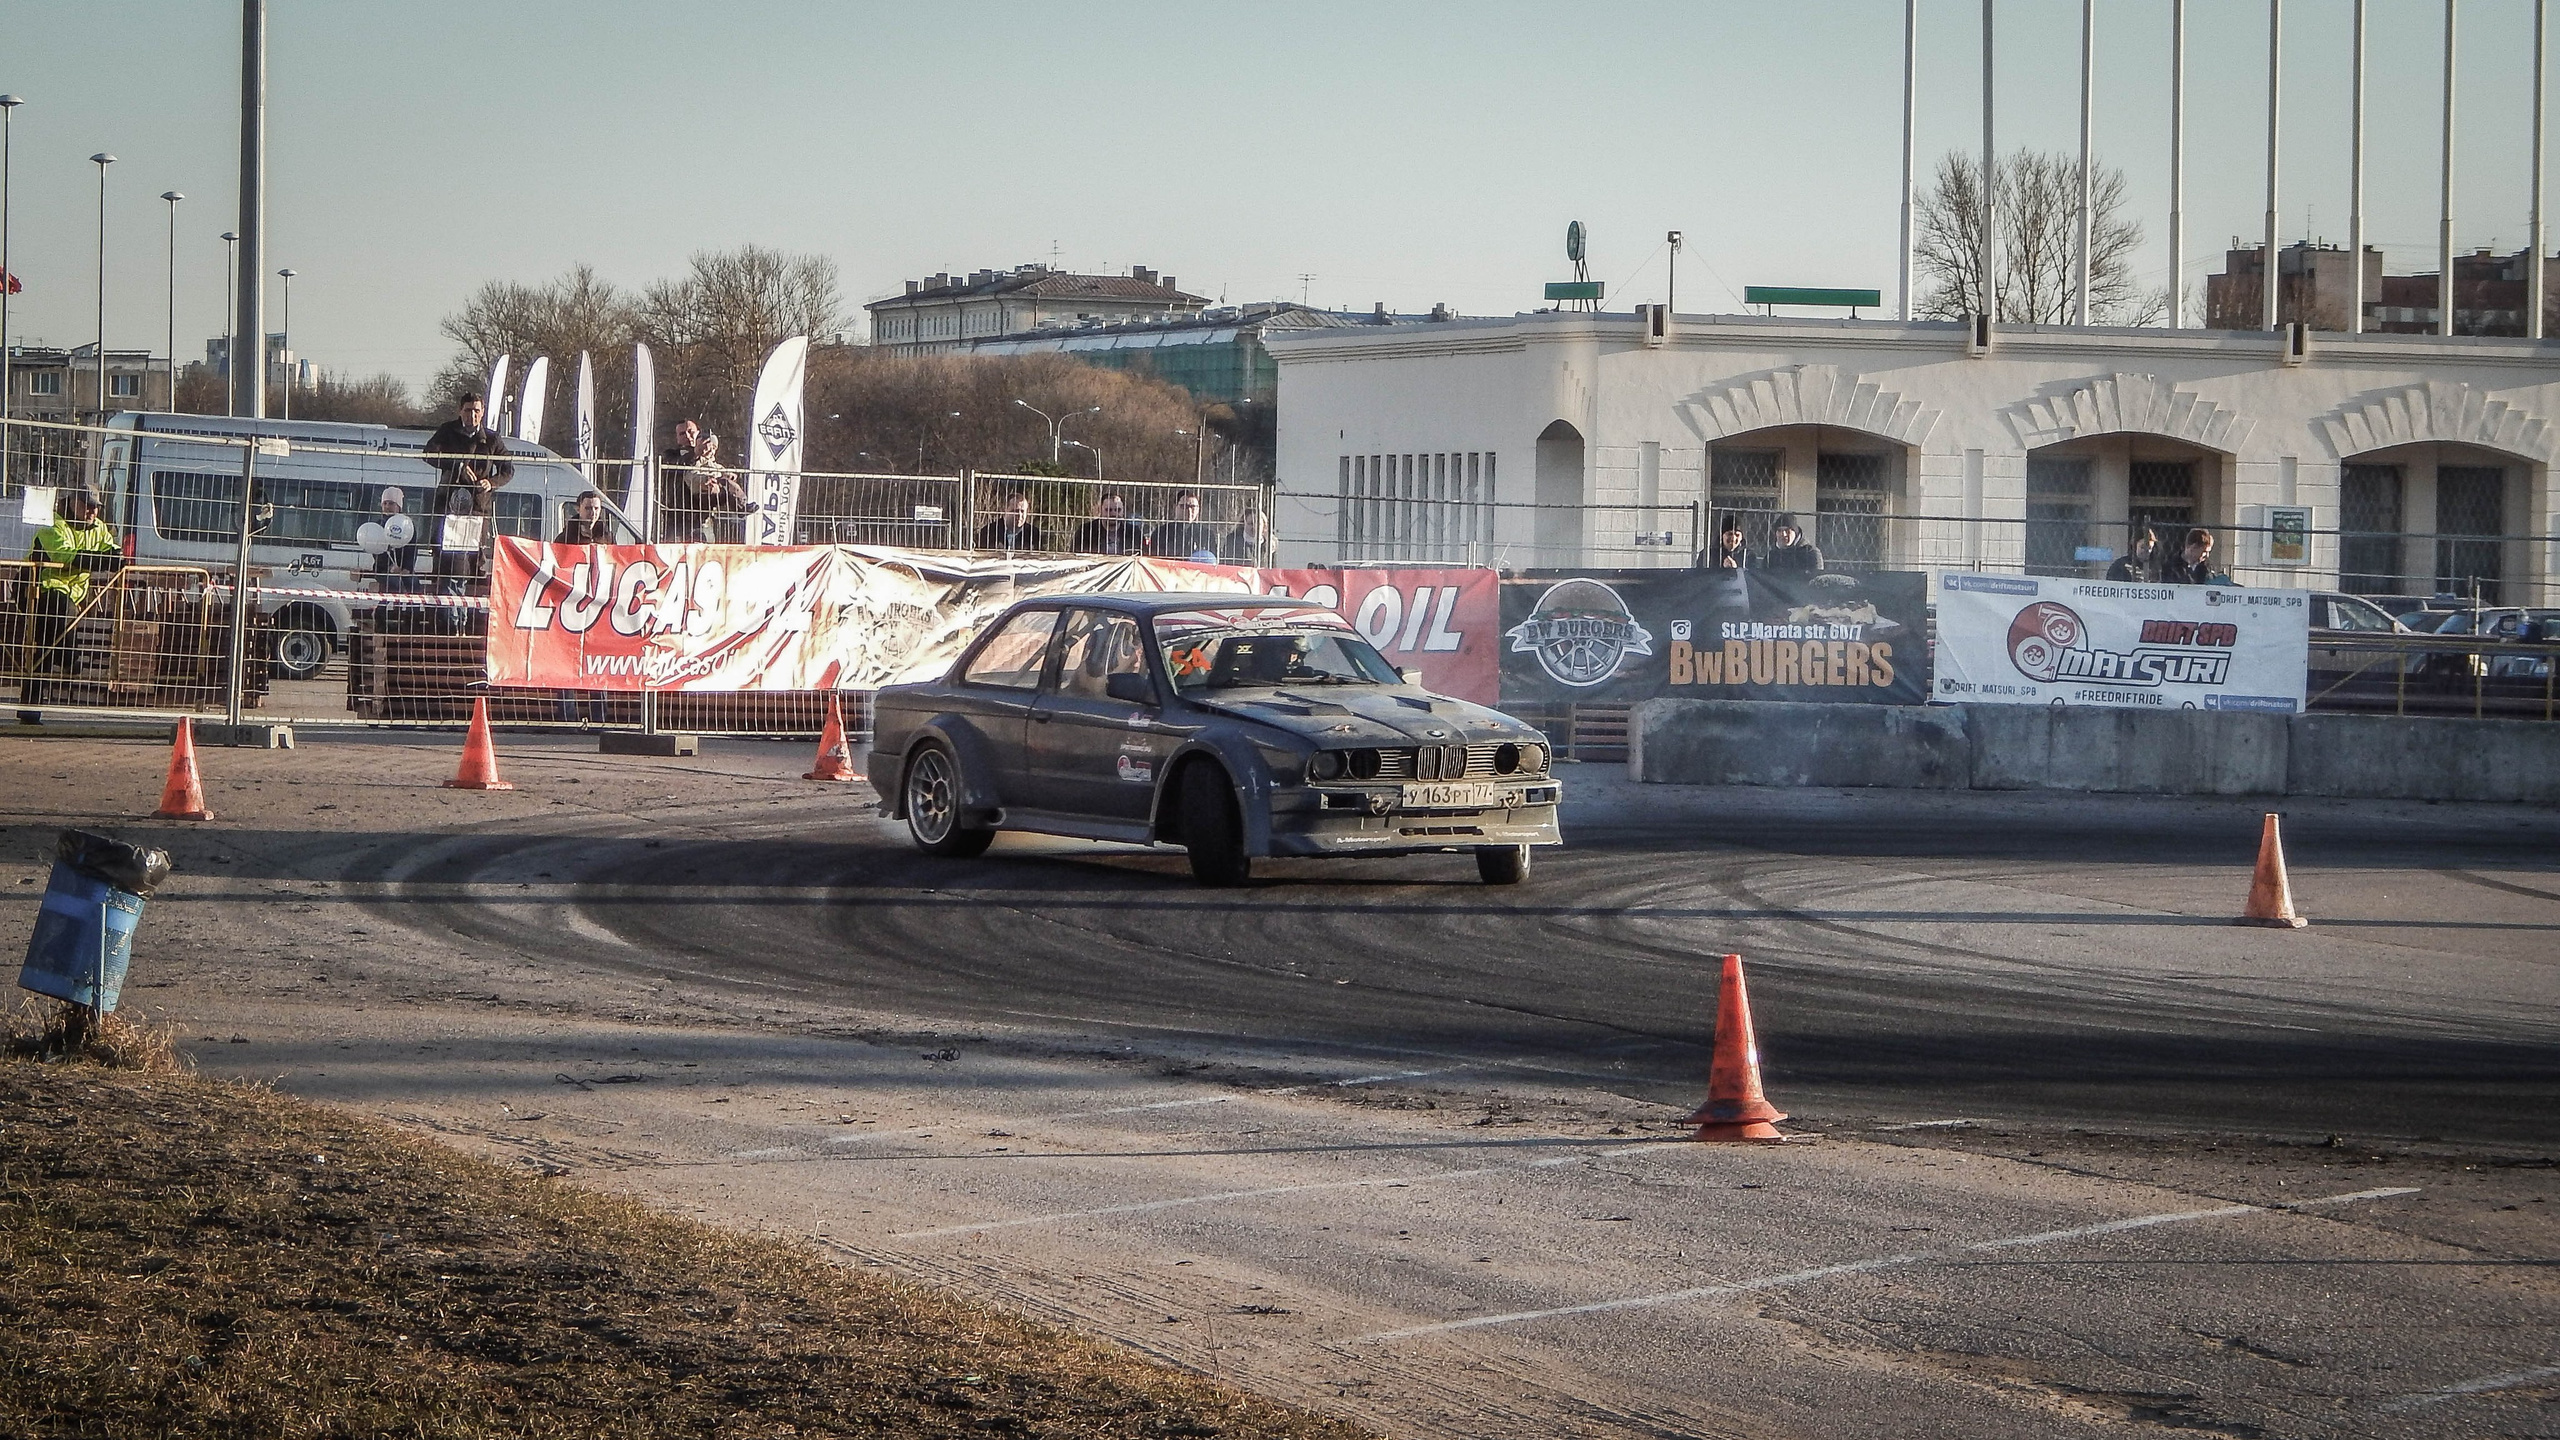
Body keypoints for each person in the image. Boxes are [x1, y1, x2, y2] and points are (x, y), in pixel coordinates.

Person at [20, 488, 118, 721]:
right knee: (51, 634)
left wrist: (111, 557)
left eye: (96, 506)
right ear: (73, 501)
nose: (93, 511)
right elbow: (64, 557)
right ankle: (69, 658)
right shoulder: (54, 524)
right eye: (87, 504)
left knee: (43, 647)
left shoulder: (98, 528)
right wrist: (102, 560)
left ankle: (29, 712)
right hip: (36, 588)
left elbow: (113, 552)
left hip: (68, 595)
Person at [424, 394, 514, 594]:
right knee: (444, 559)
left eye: (476, 411)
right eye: (467, 410)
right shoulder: (447, 430)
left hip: (477, 508)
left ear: (482, 413)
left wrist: (490, 483)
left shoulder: (492, 439)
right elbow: (428, 454)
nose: (472, 415)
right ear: (459, 411)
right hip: (448, 505)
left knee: (473, 560)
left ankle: (466, 616)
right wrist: (457, 465)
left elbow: (508, 470)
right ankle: (441, 614)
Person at [658, 420, 744, 543]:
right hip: (676, 519)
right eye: (682, 434)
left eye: (690, 432)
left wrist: (724, 477)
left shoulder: (708, 458)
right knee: (671, 556)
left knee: (705, 557)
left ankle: (741, 506)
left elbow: (718, 471)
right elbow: (675, 465)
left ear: (698, 433)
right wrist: (696, 453)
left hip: (703, 519)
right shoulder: (670, 456)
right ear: (677, 438)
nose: (688, 436)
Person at [371, 486, 421, 593]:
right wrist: (390, 567)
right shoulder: (378, 525)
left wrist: (407, 568)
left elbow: (412, 549)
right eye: (385, 503)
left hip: (404, 569)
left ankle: (413, 610)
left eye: (391, 503)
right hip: (383, 570)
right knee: (395, 584)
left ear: (399, 506)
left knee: (414, 584)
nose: (387, 506)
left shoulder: (408, 525)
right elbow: (377, 551)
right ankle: (382, 609)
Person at [1150, 491, 1221, 561]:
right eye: (1184, 506)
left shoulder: (1206, 534)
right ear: (1175, 507)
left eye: (1193, 507)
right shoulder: (1162, 533)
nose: (1189, 511)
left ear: (1198, 509)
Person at [1071, 492, 1147, 556]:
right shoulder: (1086, 531)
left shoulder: (1134, 533)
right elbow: (1074, 556)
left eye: (1118, 510)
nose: (1113, 514)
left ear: (1123, 511)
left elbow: (1144, 558)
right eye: (1108, 510)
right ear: (1100, 510)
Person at [974, 493, 1044, 553]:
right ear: (1004, 510)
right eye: (1015, 511)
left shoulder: (1034, 534)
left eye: (1022, 511)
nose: (1019, 515)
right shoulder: (989, 532)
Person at [1762, 512, 1823, 576]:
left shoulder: (1810, 553)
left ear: (1795, 532)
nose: (1783, 534)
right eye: (1779, 530)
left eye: (1787, 530)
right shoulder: (1771, 556)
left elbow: (1816, 579)